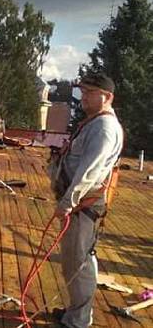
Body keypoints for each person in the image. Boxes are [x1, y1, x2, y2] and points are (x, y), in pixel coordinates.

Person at [50, 73, 123, 328]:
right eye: (84, 91)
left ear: (108, 97)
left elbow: (90, 171)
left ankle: (78, 322)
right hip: (78, 205)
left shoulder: (104, 128)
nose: (85, 97)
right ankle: (75, 314)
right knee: (73, 262)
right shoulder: (93, 123)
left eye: (91, 92)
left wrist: (68, 201)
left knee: (79, 264)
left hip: (83, 206)